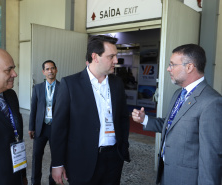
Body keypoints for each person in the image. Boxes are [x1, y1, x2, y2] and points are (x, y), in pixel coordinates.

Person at [132, 44, 222, 185]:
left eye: (172, 64)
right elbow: (172, 125)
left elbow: (210, 156)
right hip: (166, 174)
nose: (168, 69)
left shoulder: (212, 102)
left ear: (189, 67)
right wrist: (145, 120)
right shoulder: (178, 94)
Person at [51, 35, 130, 185]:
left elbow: (122, 118)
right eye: (111, 56)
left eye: (116, 56)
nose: (116, 61)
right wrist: (57, 163)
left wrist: (123, 146)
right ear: (95, 57)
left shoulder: (117, 83)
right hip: (82, 161)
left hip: (113, 158)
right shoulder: (70, 84)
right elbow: (59, 128)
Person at [0, 48, 28, 185]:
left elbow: (18, 137)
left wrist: (23, 174)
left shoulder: (11, 95)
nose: (15, 74)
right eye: (8, 70)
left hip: (16, 175)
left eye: (13, 68)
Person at [29, 60, 59, 185]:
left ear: (56, 70)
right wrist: (31, 127)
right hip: (40, 127)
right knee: (36, 157)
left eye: (52, 68)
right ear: (43, 72)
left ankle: (52, 182)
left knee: (56, 157)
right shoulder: (38, 88)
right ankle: (35, 182)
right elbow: (33, 108)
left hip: (56, 128)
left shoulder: (63, 87)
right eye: (47, 69)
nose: (50, 71)